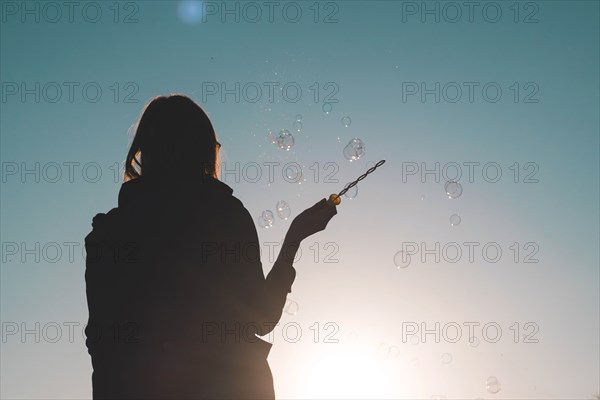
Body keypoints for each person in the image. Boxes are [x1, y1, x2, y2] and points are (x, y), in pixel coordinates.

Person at [84, 94, 337, 399]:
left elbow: (103, 348)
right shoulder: (225, 217)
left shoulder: (108, 234)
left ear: (145, 150)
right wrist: (294, 237)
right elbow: (261, 316)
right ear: (201, 151)